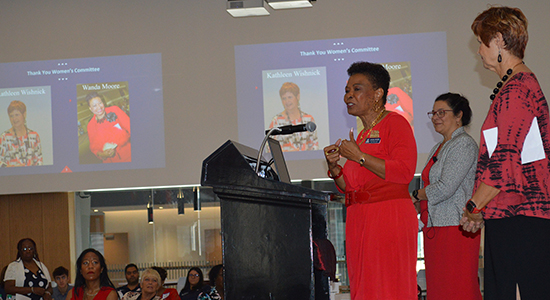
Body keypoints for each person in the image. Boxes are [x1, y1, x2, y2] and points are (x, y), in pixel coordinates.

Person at [460, 6, 550, 299]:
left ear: (499, 40)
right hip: (516, 214)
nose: (478, 51)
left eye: (481, 42)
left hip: (520, 215)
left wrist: (473, 207)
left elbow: (505, 161)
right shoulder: (516, 86)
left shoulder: (517, 89)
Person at [324, 61, 417, 299]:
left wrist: (359, 156)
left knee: (386, 285)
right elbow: (351, 188)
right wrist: (335, 168)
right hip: (359, 218)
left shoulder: (395, 123)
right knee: (364, 287)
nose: (348, 96)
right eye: (346, 90)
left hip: (387, 216)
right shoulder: (364, 134)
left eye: (356, 89)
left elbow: (404, 172)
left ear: (377, 94)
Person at [411, 93, 481, 299]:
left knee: (457, 288)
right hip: (435, 227)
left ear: (459, 116)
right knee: (440, 289)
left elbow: (444, 188)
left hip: (456, 227)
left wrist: (415, 195)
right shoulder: (439, 146)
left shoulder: (464, 144)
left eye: (442, 112)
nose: (435, 117)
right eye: (433, 113)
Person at [268, 82, 318, 152]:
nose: (287, 101)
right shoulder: (276, 120)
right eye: (284, 98)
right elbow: (269, 148)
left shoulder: (309, 119)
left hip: (306, 161)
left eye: (290, 97)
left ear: (297, 97)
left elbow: (314, 145)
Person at [85, 92, 131, 163]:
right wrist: (103, 154)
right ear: (90, 109)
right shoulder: (90, 125)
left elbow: (130, 127)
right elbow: (93, 148)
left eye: (100, 103)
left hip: (128, 156)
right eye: (94, 106)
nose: (99, 107)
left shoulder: (115, 110)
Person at [0, 100, 43, 167]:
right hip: (11, 177)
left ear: (24, 115)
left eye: (17, 115)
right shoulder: (4, 137)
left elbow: (39, 161)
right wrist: (12, 168)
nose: (14, 119)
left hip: (32, 176)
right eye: (11, 116)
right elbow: (0, 162)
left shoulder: (34, 136)